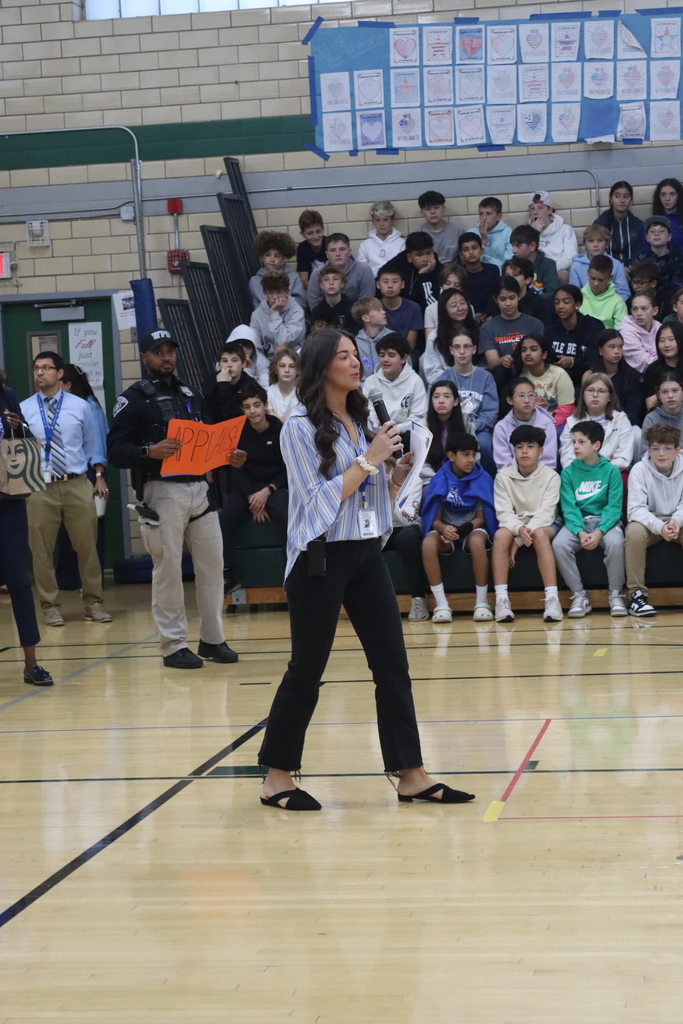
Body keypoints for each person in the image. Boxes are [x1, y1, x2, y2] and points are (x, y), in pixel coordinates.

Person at [257, 328, 474, 810]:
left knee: (393, 666)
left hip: (365, 553)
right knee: (307, 670)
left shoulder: (362, 420)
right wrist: (369, 459)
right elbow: (316, 504)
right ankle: (276, 777)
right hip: (318, 558)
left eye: (357, 355)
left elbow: (372, 501)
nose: (357, 363)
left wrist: (395, 476)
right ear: (321, 367)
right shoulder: (297, 428)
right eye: (344, 356)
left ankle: (411, 774)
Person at [107, 329, 243, 668]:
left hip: (200, 489)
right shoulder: (133, 399)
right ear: (144, 358)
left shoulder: (191, 393)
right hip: (162, 490)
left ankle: (212, 639)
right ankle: (173, 645)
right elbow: (115, 451)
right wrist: (148, 451)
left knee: (213, 566)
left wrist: (228, 456)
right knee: (167, 568)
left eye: (170, 351)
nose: (166, 357)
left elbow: (209, 439)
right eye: (158, 352)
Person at [20, 351, 111, 628]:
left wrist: (88, 472)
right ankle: (50, 606)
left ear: (60, 373)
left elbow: (89, 444)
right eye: (36, 368)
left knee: (87, 548)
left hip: (75, 483)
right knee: (41, 551)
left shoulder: (81, 406)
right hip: (39, 486)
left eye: (46, 367)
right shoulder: (24, 409)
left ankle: (94, 603)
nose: (40, 372)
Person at [0, 376, 53, 685]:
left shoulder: (7, 394)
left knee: (20, 583)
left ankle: (31, 663)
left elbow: (27, 440)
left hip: (8, 502)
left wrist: (19, 427)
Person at [219, 381, 289, 594]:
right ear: (242, 409)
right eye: (247, 407)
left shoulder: (280, 429)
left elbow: (287, 468)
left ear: (265, 405)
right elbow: (236, 470)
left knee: (286, 511)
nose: (253, 411)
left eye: (257, 405)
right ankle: (228, 575)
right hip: (247, 489)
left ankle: (292, 572)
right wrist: (253, 497)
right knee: (225, 517)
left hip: (274, 486)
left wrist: (267, 491)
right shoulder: (237, 432)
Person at [421, 431, 497, 623]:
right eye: (465, 454)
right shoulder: (440, 478)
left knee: (478, 542)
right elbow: (434, 519)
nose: (471, 459)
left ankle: (482, 602)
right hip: (446, 532)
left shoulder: (483, 478)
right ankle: (441, 604)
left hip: (471, 529)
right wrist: (443, 529)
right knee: (428, 544)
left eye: (474, 454)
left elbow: (482, 518)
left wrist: (462, 530)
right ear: (451, 456)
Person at [492, 425, 562, 623]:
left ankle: (552, 600)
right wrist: (518, 530)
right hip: (516, 524)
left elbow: (546, 514)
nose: (524, 451)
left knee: (539, 534)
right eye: (519, 447)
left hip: (544, 524)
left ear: (541, 450)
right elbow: (504, 512)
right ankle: (501, 600)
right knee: (500, 535)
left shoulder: (551, 477)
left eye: (530, 446)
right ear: (513, 450)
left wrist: (520, 540)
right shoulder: (503, 476)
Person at [56, 364, 108, 588]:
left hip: (89, 473)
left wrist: (99, 476)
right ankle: (69, 579)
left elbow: (98, 445)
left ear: (68, 385)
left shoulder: (89, 407)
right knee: (67, 528)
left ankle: (89, 581)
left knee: (89, 528)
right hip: (66, 473)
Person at [625, 423, 683, 616]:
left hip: (677, 522)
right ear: (648, 450)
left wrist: (676, 521)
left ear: (677, 450)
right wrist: (660, 526)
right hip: (651, 524)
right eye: (655, 448)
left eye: (668, 448)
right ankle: (637, 595)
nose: (661, 454)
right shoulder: (639, 470)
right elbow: (635, 509)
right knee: (633, 531)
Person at [432, 327, 497, 475]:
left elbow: (490, 413)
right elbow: (433, 408)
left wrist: (471, 426)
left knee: (484, 442)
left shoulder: (486, 377)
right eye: (457, 347)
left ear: (474, 349)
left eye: (466, 347)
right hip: (449, 428)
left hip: (477, 429)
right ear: (451, 350)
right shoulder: (443, 378)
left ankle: (486, 480)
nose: (462, 351)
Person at [560, 373, 634, 470]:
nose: (595, 395)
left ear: (610, 397)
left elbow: (623, 458)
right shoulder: (572, 421)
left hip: (611, 471)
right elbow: (567, 457)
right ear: (583, 396)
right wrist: (584, 471)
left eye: (601, 391)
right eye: (590, 390)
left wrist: (599, 470)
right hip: (580, 472)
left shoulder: (620, 420)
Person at [383, 469, 430, 622]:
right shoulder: (372, 479)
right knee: (366, 540)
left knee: (407, 539)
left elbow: (407, 520)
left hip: (405, 528)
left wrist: (390, 493)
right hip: (380, 527)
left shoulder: (414, 480)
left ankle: (418, 598)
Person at [478, 276, 544, 378]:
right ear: (495, 299)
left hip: (531, 376)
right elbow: (492, 362)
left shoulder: (535, 324)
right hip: (503, 378)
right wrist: (502, 361)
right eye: (503, 299)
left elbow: (540, 356)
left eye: (512, 298)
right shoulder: (487, 328)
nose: (508, 303)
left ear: (519, 296)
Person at [365, 333, 427, 441]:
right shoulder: (370, 381)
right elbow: (369, 416)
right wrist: (381, 431)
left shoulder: (415, 381)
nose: (385, 359)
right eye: (382, 355)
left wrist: (396, 429)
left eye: (391, 355)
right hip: (377, 435)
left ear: (404, 358)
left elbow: (418, 417)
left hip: (406, 435)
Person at [493, 377, 558, 470]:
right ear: (510, 400)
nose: (527, 400)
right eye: (521, 396)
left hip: (542, 476)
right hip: (512, 476)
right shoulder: (501, 428)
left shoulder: (547, 424)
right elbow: (503, 465)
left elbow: (549, 462)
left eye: (531, 395)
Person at [545, 284, 604, 383]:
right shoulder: (551, 330)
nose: (560, 306)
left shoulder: (592, 329)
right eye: (556, 302)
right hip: (555, 381)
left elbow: (593, 363)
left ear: (577, 304)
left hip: (584, 382)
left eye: (566, 302)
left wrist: (572, 362)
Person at [584, 329, 641, 427]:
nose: (617, 351)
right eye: (612, 347)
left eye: (620, 347)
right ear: (600, 350)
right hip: (594, 424)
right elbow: (585, 406)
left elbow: (633, 409)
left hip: (624, 424)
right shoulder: (590, 375)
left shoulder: (631, 375)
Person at [421, 287, 478, 385]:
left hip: (474, 382)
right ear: (444, 310)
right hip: (445, 385)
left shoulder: (476, 330)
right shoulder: (434, 336)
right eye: (454, 306)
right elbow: (432, 372)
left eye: (463, 303)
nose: (460, 308)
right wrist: (456, 380)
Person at [515, 333, 575, 425]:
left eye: (533, 349)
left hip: (557, 424)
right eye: (524, 350)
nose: (527, 353)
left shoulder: (559, 374)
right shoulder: (522, 377)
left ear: (544, 354)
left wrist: (549, 428)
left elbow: (566, 410)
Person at [380, 231, 443, 319]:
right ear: (409, 257)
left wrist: (423, 276)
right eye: (419, 255)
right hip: (401, 315)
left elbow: (433, 306)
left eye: (428, 253)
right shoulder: (397, 265)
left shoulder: (440, 270)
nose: (425, 259)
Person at [306, 233, 376, 309]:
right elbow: (314, 307)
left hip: (358, 315)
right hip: (324, 316)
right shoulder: (317, 274)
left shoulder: (364, 269)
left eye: (342, 249)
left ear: (349, 252)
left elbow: (367, 304)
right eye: (333, 250)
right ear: (327, 254)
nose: (338, 254)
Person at [249, 269, 306, 359]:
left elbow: (284, 341)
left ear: (287, 292)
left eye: (279, 292)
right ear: (264, 293)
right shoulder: (257, 315)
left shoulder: (297, 311)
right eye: (270, 292)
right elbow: (256, 348)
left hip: (293, 359)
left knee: (281, 349)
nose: (275, 297)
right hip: (267, 361)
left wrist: (274, 313)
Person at [528, 189, 578, 283]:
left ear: (550, 210)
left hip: (557, 269)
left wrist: (550, 268)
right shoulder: (527, 232)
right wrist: (535, 233)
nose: (535, 212)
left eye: (540, 208)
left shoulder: (565, 229)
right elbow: (526, 255)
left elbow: (570, 257)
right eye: (532, 208)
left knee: (563, 275)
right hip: (535, 269)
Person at [634, 216, 683, 311]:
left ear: (669, 236)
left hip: (673, 305)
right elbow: (638, 288)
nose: (656, 234)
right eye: (652, 231)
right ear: (647, 237)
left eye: (661, 231)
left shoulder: (679, 259)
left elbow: (678, 288)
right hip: (646, 305)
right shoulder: (640, 261)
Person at [570, 225, 630, 300]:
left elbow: (623, 293)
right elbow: (574, 294)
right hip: (585, 305)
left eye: (600, 241)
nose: (595, 245)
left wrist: (611, 305)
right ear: (584, 244)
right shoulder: (576, 266)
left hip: (611, 305)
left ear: (606, 244)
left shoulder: (617, 265)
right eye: (591, 241)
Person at [594, 180, 645, 267]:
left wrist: (631, 267)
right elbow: (597, 251)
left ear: (631, 200)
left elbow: (640, 250)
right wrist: (618, 268)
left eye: (626, 196)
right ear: (610, 199)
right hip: (608, 269)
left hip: (633, 269)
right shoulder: (600, 224)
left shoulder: (638, 225)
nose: (622, 200)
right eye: (617, 196)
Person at [249, 230, 306, 309]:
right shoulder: (254, 282)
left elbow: (300, 305)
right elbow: (256, 308)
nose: (272, 259)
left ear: (284, 258)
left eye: (277, 256)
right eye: (268, 255)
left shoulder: (294, 278)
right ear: (262, 256)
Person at [202, 339, 255, 423]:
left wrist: (224, 386)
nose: (229, 365)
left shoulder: (251, 385)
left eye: (234, 360)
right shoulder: (210, 381)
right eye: (224, 361)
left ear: (243, 363)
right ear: (219, 365)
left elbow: (237, 418)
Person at [424, 379, 467, 477]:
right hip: (431, 478)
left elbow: (473, 456)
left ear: (455, 401)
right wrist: (439, 478)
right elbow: (421, 463)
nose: (441, 401)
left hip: (460, 477)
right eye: (436, 397)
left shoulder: (465, 424)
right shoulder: (423, 426)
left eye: (447, 396)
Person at [376, 263, 423, 348]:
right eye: (385, 282)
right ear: (378, 284)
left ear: (402, 284)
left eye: (395, 282)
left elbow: (410, 344)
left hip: (405, 352)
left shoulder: (413, 308)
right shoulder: (373, 308)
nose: (390, 286)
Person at [356, 199, 405, 275]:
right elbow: (362, 270)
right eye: (378, 220)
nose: (381, 224)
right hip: (372, 281)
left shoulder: (402, 244)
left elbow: (404, 268)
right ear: (373, 221)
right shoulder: (365, 245)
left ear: (392, 220)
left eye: (385, 220)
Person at [457, 232, 500, 318]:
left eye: (474, 248)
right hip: (465, 316)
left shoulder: (493, 270)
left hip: (490, 315)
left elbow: (495, 296)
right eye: (466, 250)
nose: (471, 252)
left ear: (482, 250)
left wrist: (485, 314)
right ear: (461, 255)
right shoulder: (459, 274)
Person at [579, 255, 628, 328]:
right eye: (593, 278)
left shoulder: (618, 302)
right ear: (587, 273)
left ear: (610, 277)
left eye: (601, 280)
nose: (596, 283)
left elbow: (622, 331)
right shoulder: (579, 297)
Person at [617, 293, 661, 375]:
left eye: (644, 308)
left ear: (655, 311)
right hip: (636, 379)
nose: (639, 313)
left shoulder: (659, 327)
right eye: (635, 309)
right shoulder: (626, 332)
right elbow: (644, 364)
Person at [640, 373, 683, 456]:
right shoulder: (651, 418)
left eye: (675, 390)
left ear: (682, 392)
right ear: (659, 395)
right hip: (661, 462)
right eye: (665, 392)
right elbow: (644, 454)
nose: (670, 396)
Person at [510, 225, 560, 295]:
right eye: (513, 246)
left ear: (532, 246)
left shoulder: (548, 264)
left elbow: (552, 292)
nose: (513, 250)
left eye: (518, 246)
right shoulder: (511, 266)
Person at [643, 322, 683, 409]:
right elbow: (651, 406)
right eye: (662, 340)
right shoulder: (653, 370)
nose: (666, 345)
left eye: (671, 339)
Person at [309, 263, 357, 334]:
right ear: (321, 285)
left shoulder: (352, 310)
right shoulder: (317, 311)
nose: (331, 282)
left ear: (342, 283)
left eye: (335, 279)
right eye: (326, 279)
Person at [500, 256, 550, 325]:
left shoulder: (540, 303)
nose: (510, 279)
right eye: (507, 275)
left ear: (527, 279)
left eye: (515, 275)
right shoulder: (500, 301)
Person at [417, 189, 461, 263]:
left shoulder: (457, 232)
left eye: (436, 207)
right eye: (427, 209)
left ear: (444, 208)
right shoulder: (416, 235)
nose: (433, 212)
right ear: (422, 212)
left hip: (453, 269)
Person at [469, 196, 513, 269]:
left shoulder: (507, 232)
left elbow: (509, 261)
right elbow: (471, 262)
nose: (484, 218)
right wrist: (483, 240)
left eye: (488, 214)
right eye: (481, 214)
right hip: (478, 271)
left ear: (499, 216)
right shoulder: (472, 233)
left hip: (500, 272)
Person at [424, 264, 470, 333]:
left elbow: (472, 331)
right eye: (448, 284)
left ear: (462, 288)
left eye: (457, 285)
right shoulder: (431, 309)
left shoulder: (468, 308)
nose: (451, 287)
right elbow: (429, 337)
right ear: (441, 285)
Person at [351, 296, 390, 377]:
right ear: (366, 318)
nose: (383, 312)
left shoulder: (393, 338)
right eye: (378, 310)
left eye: (382, 309)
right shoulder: (355, 343)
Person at [296, 209, 327, 294]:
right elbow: (304, 281)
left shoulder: (330, 244)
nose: (315, 236)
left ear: (323, 229)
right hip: (313, 289)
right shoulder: (302, 248)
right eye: (310, 233)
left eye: (318, 231)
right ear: (303, 234)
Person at [267, 348, 300, 423]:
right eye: (282, 366)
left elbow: (299, 423)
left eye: (292, 366)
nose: (287, 370)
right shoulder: (269, 392)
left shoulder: (302, 394)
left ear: (298, 370)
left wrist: (277, 418)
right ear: (275, 369)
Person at [652, 178, 683, 252]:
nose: (667, 198)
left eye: (672, 194)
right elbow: (646, 248)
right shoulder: (652, 221)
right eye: (663, 194)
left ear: (679, 196)